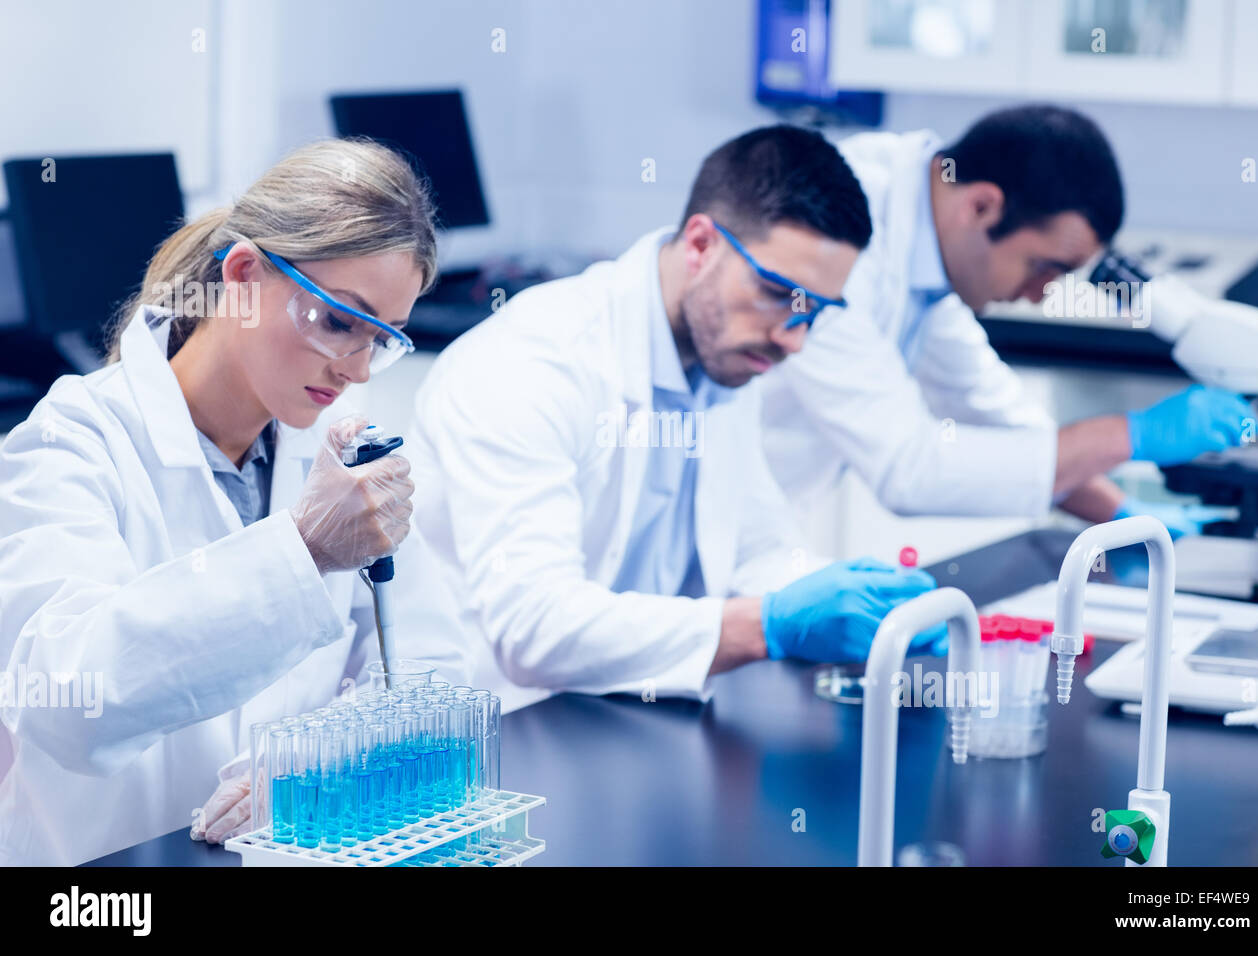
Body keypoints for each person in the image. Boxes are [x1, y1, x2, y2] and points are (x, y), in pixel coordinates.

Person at [404, 126, 946, 714]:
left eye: (815, 311)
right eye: (776, 292)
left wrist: (846, 594)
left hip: (621, 712)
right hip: (498, 739)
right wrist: (765, 626)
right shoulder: (531, 365)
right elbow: (535, 629)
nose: (794, 339)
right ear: (700, 245)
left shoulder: (726, 357)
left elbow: (755, 552)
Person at [0, 139, 436, 865]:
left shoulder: (336, 447)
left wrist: (315, 766)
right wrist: (304, 551)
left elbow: (427, 659)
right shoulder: (68, 444)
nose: (356, 369)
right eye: (337, 321)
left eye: (380, 338)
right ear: (243, 276)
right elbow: (66, 704)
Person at [760, 104, 1252, 533]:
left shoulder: (928, 235)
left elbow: (993, 411)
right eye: (1044, 267)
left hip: (760, 524)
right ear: (981, 206)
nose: (1041, 297)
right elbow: (907, 469)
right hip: (712, 528)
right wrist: (1133, 434)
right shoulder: (833, 229)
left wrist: (1123, 514)